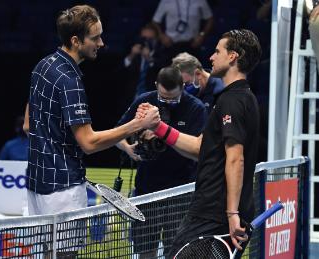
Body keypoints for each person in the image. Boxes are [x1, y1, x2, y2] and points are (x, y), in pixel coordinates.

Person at [26, 5, 160, 257]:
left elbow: (28, 125)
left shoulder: (42, 66)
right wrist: (137, 125)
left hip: (36, 184)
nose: (102, 42)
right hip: (63, 190)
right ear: (76, 41)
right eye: (95, 37)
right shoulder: (70, 80)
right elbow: (88, 143)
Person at [138, 29, 262, 258]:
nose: (211, 58)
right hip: (215, 211)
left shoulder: (233, 101)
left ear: (233, 56)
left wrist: (232, 212)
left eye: (217, 51)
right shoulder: (240, 98)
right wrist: (158, 127)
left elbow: (236, 158)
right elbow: (199, 147)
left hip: (214, 213)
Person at [116, 66, 206, 258]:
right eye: (163, 98)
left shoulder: (196, 108)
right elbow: (117, 134)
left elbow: (200, 152)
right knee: (145, 252)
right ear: (156, 86)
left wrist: (161, 133)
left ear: (183, 86)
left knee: (177, 252)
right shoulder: (144, 101)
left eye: (173, 99)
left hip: (181, 193)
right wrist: (129, 149)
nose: (168, 102)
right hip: (147, 191)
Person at [152, 0, 214, 65]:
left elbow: (210, 19)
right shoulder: (166, 1)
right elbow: (155, 21)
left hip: (192, 46)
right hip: (171, 46)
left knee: (192, 73)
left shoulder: (200, 1)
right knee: (170, 74)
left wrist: (202, 35)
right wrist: (162, 36)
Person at [123, 23, 163, 100]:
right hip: (132, 97)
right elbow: (120, 75)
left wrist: (149, 58)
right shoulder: (134, 52)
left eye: (150, 39)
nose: (146, 42)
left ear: (156, 39)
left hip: (152, 98)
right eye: (144, 38)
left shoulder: (162, 53)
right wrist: (131, 56)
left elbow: (161, 73)